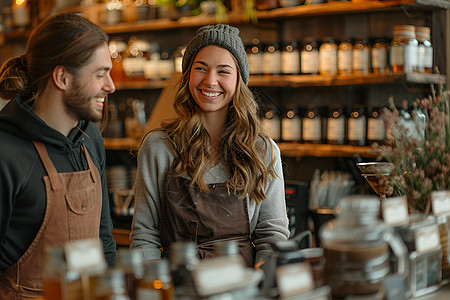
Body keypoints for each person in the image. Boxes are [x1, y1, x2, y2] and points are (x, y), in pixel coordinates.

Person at [131, 24, 289, 267]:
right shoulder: (158, 146)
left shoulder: (262, 150)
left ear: (239, 80)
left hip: (241, 288)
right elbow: (145, 235)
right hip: (178, 286)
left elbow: (272, 236)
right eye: (200, 68)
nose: (210, 80)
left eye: (223, 71)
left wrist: (260, 282)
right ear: (187, 75)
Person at [0, 12, 117, 298]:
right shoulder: (6, 151)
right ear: (62, 77)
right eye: (100, 74)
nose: (111, 86)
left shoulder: (91, 139)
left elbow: (103, 239)